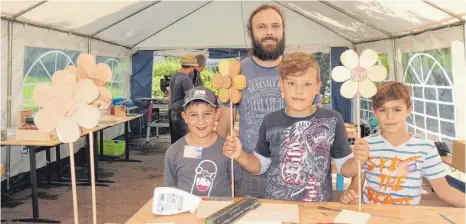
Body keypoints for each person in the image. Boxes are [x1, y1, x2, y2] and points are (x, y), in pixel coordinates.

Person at [223, 52, 370, 202]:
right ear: (281, 85)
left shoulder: (333, 119)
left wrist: (359, 161)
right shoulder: (270, 120)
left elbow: (345, 169)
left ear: (317, 87)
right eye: (292, 83)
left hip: (317, 209)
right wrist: (240, 155)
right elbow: (260, 166)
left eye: (307, 84)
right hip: (278, 208)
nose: (299, 91)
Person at [216, 4, 321, 197]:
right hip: (250, 171)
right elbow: (223, 128)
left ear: (283, 30)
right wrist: (224, 167)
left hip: (296, 171)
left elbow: (317, 123)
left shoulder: (299, 69)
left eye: (275, 26)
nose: (269, 32)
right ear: (250, 32)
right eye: (262, 27)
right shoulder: (236, 72)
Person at [340, 81, 465, 207]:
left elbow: (444, 191)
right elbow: (348, 175)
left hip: (407, 218)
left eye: (397, 110)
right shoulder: (366, 145)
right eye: (383, 110)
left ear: (409, 110)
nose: (390, 116)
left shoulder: (426, 148)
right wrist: (357, 163)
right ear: (374, 112)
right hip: (373, 216)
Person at [164, 86, 237, 197]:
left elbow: (235, 183)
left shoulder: (228, 148)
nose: (201, 121)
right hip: (187, 213)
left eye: (207, 114)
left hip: (219, 211)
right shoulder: (174, 151)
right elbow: (170, 188)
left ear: (217, 115)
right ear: (185, 117)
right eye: (194, 115)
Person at [168, 54, 198, 144]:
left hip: (172, 109)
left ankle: (173, 157)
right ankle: (182, 158)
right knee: (183, 139)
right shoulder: (186, 79)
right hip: (181, 111)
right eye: (194, 67)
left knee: (174, 139)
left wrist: (170, 105)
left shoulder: (174, 75)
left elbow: (169, 92)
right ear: (192, 66)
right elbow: (189, 97)